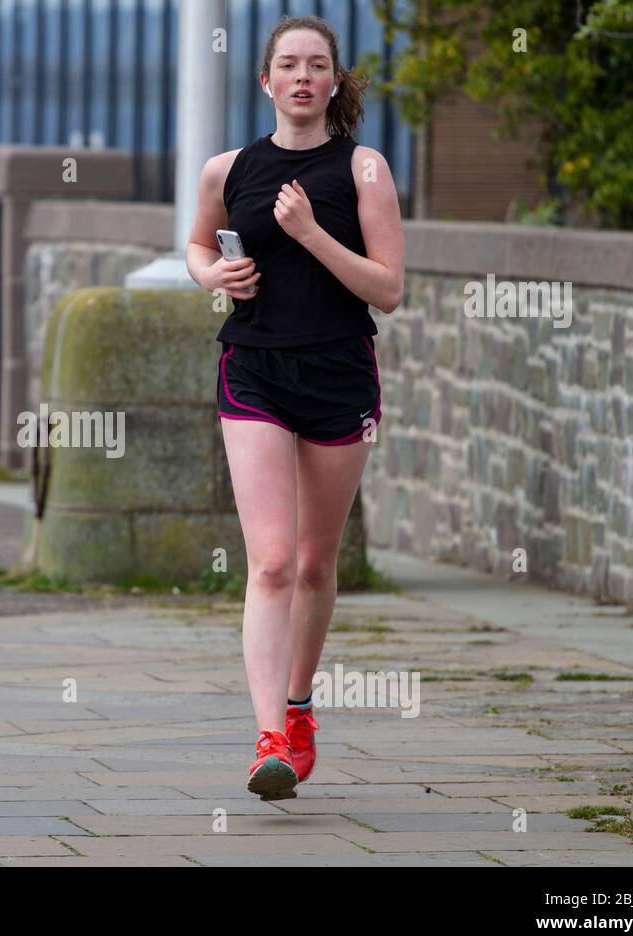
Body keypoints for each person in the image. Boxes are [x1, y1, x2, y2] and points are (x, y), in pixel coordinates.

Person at [185, 15, 405, 801]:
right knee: (272, 560)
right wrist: (212, 277)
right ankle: (269, 737)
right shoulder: (228, 168)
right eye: (289, 65)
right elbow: (199, 245)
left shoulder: (365, 169)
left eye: (318, 65)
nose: (304, 77)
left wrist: (310, 233)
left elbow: (389, 288)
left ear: (337, 82)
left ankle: (301, 703)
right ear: (266, 81)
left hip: (341, 374)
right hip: (255, 373)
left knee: (315, 562)